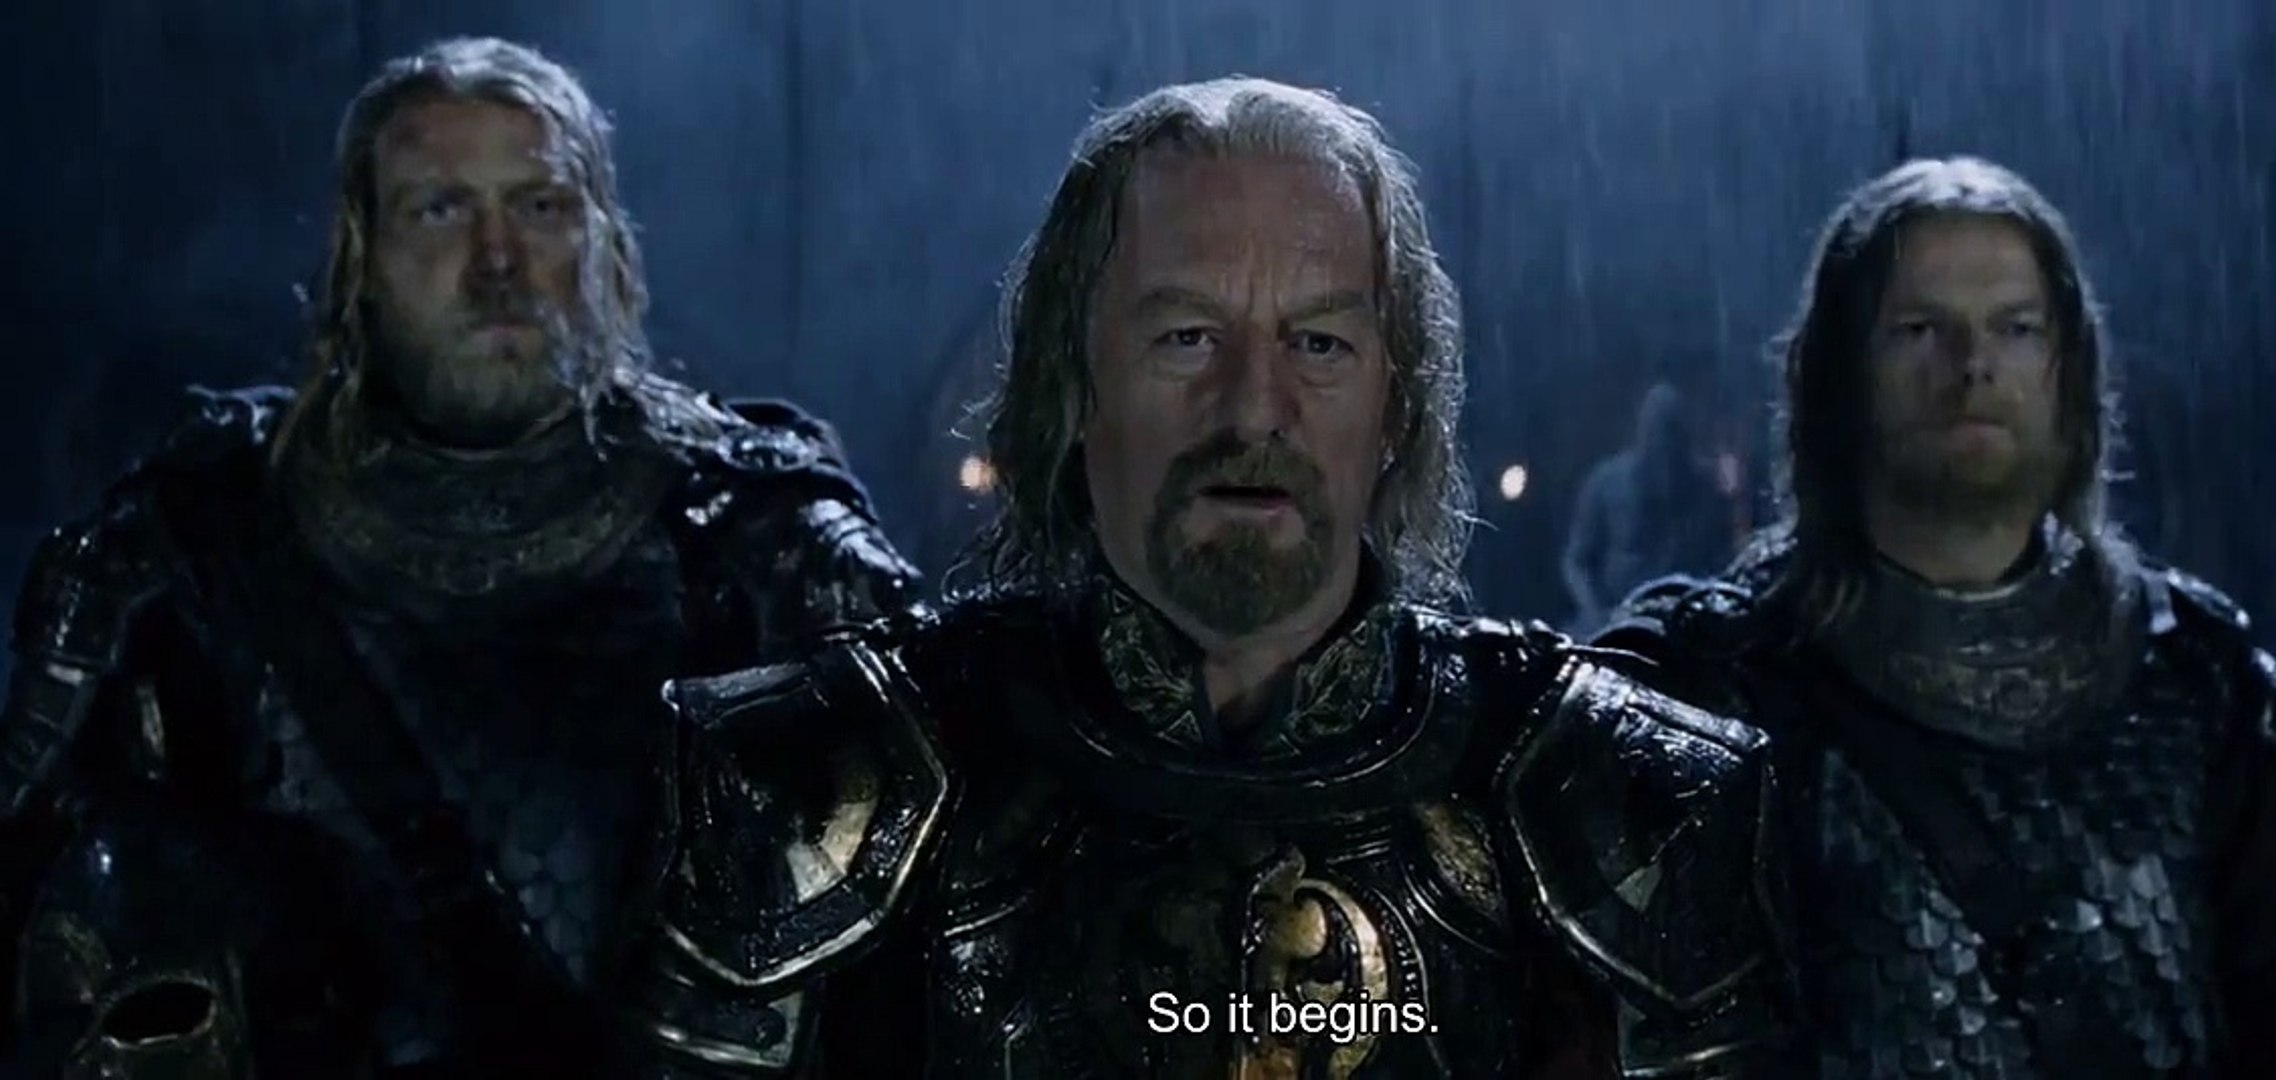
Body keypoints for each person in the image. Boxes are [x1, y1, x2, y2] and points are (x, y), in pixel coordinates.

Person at [634, 78, 1799, 1078]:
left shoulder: (1619, 797)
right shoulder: (804, 782)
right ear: (1071, 385)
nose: (1252, 410)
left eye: (1318, 343)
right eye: (1185, 338)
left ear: (1394, 405)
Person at [0, 37, 919, 1075]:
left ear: (603, 240)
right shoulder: (195, 546)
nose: (497, 262)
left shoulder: (756, 535)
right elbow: (55, 920)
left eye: (540, 205)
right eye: (440, 209)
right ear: (362, 254)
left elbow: (930, 930)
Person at [1596, 157, 2276, 1079]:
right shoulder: (1715, 691)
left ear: (2066, 371)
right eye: (1920, 330)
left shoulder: (2206, 687)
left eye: (2015, 328)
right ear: (1840, 375)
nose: (1972, 367)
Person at [1561, 380, 1744, 632]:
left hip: (1688, 624)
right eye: (1656, 429)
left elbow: (1724, 560)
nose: (1663, 441)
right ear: (1641, 430)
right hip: (1615, 622)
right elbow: (1576, 562)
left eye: (1671, 430)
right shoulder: (1606, 483)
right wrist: (1594, 612)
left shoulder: (1706, 488)